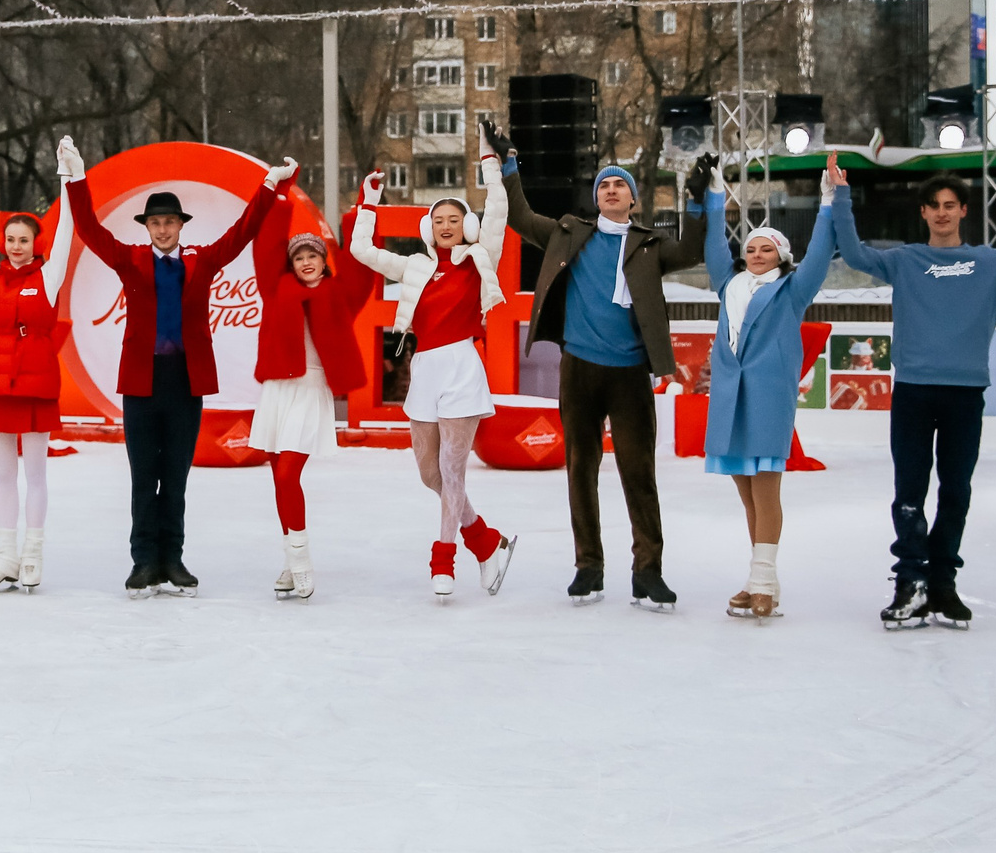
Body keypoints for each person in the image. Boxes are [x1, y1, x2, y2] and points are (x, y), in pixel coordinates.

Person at [829, 162, 996, 629]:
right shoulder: (905, 260)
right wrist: (841, 194)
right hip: (913, 391)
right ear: (923, 213)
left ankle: (942, 583)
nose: (942, 212)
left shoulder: (993, 262)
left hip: (965, 393)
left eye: (950, 205)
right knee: (909, 491)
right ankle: (910, 581)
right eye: (933, 206)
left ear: (964, 211)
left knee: (955, 492)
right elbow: (852, 253)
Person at [486, 119, 708, 610]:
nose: (610, 190)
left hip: (629, 373)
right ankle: (588, 566)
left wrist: (696, 200)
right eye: (604, 185)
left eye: (619, 186)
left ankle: (648, 571)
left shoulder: (650, 245)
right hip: (580, 369)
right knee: (581, 470)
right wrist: (509, 162)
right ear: (596, 198)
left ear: (633, 200)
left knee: (639, 473)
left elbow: (692, 250)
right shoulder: (569, 233)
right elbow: (520, 216)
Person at [64, 136, 285, 597]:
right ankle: (144, 561)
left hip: (185, 382)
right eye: (155, 222)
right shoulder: (130, 259)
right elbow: (88, 228)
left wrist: (268, 185)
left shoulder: (202, 259)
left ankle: (174, 560)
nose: (162, 229)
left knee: (177, 479)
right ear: (146, 227)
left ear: (181, 225)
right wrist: (78, 179)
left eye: (169, 222)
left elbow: (243, 231)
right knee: (144, 477)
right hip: (141, 383)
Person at [348, 157, 518, 600]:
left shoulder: (480, 258)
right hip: (424, 369)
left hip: (461, 367)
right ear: (428, 227)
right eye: (439, 219)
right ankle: (486, 541)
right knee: (430, 474)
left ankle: (444, 559)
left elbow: (498, 210)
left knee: (451, 469)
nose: (446, 226)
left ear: (467, 226)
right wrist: (369, 202)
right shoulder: (414, 267)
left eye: (454, 219)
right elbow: (361, 251)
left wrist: (491, 165)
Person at [698, 171, 846, 618]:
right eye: (751, 249)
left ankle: (763, 582)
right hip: (729, 401)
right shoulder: (728, 285)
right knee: (747, 496)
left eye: (766, 249)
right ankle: (760, 580)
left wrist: (828, 203)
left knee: (765, 492)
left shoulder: (792, 290)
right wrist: (714, 198)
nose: (757, 255)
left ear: (782, 255)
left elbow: (819, 254)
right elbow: (713, 247)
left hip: (766, 399)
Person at [0, 154, 83, 593]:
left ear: (35, 243)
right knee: (4, 475)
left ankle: (32, 554)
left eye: (23, 239)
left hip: (35, 385)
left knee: (36, 474)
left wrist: (67, 177)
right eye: (10, 239)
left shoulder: (50, 275)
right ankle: (5, 555)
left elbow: (68, 229)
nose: (16, 246)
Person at [248, 172, 376, 600]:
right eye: (299, 256)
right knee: (278, 478)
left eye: (313, 255)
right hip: (277, 391)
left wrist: (364, 206)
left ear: (324, 261)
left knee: (289, 473)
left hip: (310, 389)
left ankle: (301, 561)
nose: (306, 261)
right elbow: (266, 245)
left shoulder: (340, 293)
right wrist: (280, 192)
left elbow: (360, 265)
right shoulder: (275, 288)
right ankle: (290, 559)